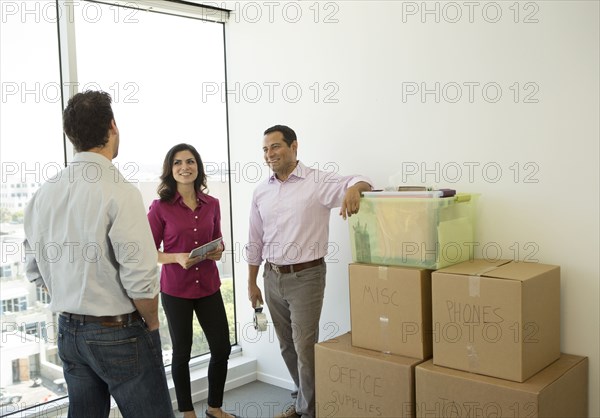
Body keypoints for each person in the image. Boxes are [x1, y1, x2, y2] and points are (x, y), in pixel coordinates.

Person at [23, 90, 174, 418]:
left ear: (71, 136)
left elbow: (34, 269)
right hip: (119, 331)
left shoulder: (42, 194)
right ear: (112, 126)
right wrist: (151, 324)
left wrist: (72, 295)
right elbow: (141, 276)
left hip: (68, 332)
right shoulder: (120, 191)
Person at [246, 125, 372, 418]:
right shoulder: (261, 190)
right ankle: (306, 397)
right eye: (265, 149)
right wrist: (252, 282)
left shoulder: (317, 181)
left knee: (304, 346)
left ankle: (308, 411)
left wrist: (354, 188)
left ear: (294, 147)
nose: (269, 154)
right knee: (287, 345)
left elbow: (361, 180)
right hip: (271, 276)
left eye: (275, 146)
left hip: (307, 277)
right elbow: (255, 240)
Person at [147, 143, 236, 418]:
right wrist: (176, 258)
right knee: (182, 353)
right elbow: (149, 252)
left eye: (190, 161)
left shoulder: (213, 204)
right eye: (177, 163)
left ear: (198, 167)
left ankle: (214, 407)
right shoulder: (160, 207)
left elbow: (217, 241)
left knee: (221, 347)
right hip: (175, 291)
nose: (184, 167)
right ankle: (187, 412)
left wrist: (218, 251)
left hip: (209, 286)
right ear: (170, 170)